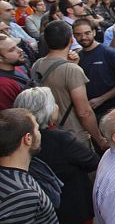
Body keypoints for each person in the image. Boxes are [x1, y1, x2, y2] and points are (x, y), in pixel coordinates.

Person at [13, 87, 100, 224]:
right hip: (73, 211)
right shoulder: (60, 139)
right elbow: (91, 160)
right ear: (47, 111)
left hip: (45, 218)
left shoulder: (17, 143)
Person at [32, 20, 106, 150]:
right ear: (71, 39)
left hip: (48, 133)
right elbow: (84, 112)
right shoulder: (71, 70)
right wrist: (99, 139)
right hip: (73, 136)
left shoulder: (37, 64)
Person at [73, 18, 115, 121]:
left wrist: (102, 99)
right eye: (78, 34)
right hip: (93, 113)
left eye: (87, 33)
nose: (83, 37)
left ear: (94, 32)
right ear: (73, 36)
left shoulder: (110, 53)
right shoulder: (78, 57)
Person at [0, 32, 29, 110]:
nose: (20, 50)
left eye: (17, 46)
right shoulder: (3, 85)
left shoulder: (17, 66)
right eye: (12, 50)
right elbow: (12, 115)